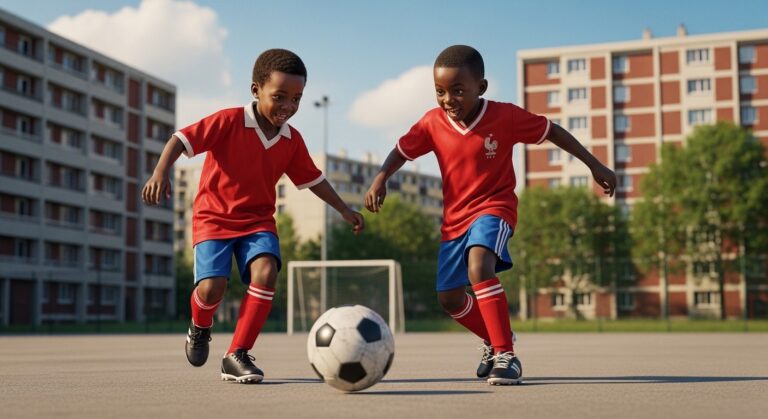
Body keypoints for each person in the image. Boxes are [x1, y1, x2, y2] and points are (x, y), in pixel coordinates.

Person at [364, 45, 616, 385]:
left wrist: (594, 164)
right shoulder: (432, 123)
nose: (448, 99)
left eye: (457, 90)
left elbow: (552, 130)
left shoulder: (506, 117)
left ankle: (506, 355)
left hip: (494, 208)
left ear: (480, 88)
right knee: (449, 298)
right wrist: (382, 177)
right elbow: (402, 150)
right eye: (440, 91)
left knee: (479, 265)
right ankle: (495, 340)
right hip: (454, 220)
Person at [142, 49, 364, 384]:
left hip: (258, 221)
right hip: (213, 218)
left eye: (296, 98)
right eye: (279, 97)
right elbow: (180, 139)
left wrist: (344, 209)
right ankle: (200, 326)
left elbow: (313, 179)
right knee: (212, 288)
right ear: (255, 90)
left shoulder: (291, 140)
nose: (288, 106)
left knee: (266, 271)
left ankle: (237, 354)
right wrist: (160, 172)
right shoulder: (228, 121)